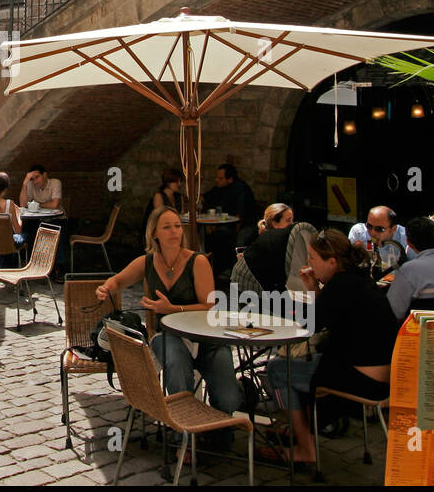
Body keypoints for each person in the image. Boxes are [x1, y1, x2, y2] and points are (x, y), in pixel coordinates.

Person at [262, 229, 398, 464]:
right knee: (301, 364)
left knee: (277, 370)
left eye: (313, 258)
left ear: (332, 261)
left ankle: (305, 448)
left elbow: (308, 325)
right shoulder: (357, 278)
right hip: (385, 376)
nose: (309, 263)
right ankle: (300, 428)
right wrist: (315, 288)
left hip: (363, 380)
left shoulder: (342, 285)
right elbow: (324, 316)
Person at [95, 207, 243, 420]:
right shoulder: (147, 262)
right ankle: (183, 434)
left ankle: (218, 433)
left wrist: (172, 309)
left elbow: (209, 307)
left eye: (177, 226)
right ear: (154, 233)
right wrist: (106, 288)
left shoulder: (197, 261)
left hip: (206, 335)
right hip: (168, 335)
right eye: (167, 227)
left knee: (228, 397)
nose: (174, 231)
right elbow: (118, 280)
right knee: (177, 367)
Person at [236, 204, 297, 292]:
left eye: (292, 220)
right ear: (275, 223)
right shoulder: (265, 243)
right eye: (288, 220)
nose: (292, 224)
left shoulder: (288, 238)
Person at [347, 206, 413, 264]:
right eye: (369, 226)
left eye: (379, 229)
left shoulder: (406, 238)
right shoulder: (358, 232)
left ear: (393, 229)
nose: (372, 233)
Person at [143, 168, 185, 235]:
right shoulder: (159, 196)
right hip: (158, 230)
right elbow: (160, 216)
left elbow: (182, 216)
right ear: (168, 183)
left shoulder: (179, 197)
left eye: (180, 181)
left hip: (173, 228)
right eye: (176, 182)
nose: (179, 184)